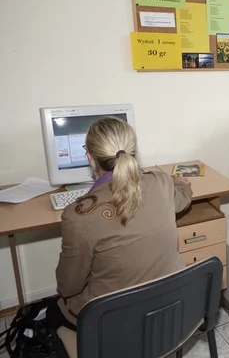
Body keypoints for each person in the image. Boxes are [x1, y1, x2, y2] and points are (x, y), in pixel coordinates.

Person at [47, 117, 192, 330]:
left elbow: (68, 287)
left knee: (53, 310)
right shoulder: (161, 182)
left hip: (114, 321)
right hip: (167, 305)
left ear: (90, 157)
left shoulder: (78, 215)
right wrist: (179, 183)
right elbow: (182, 199)